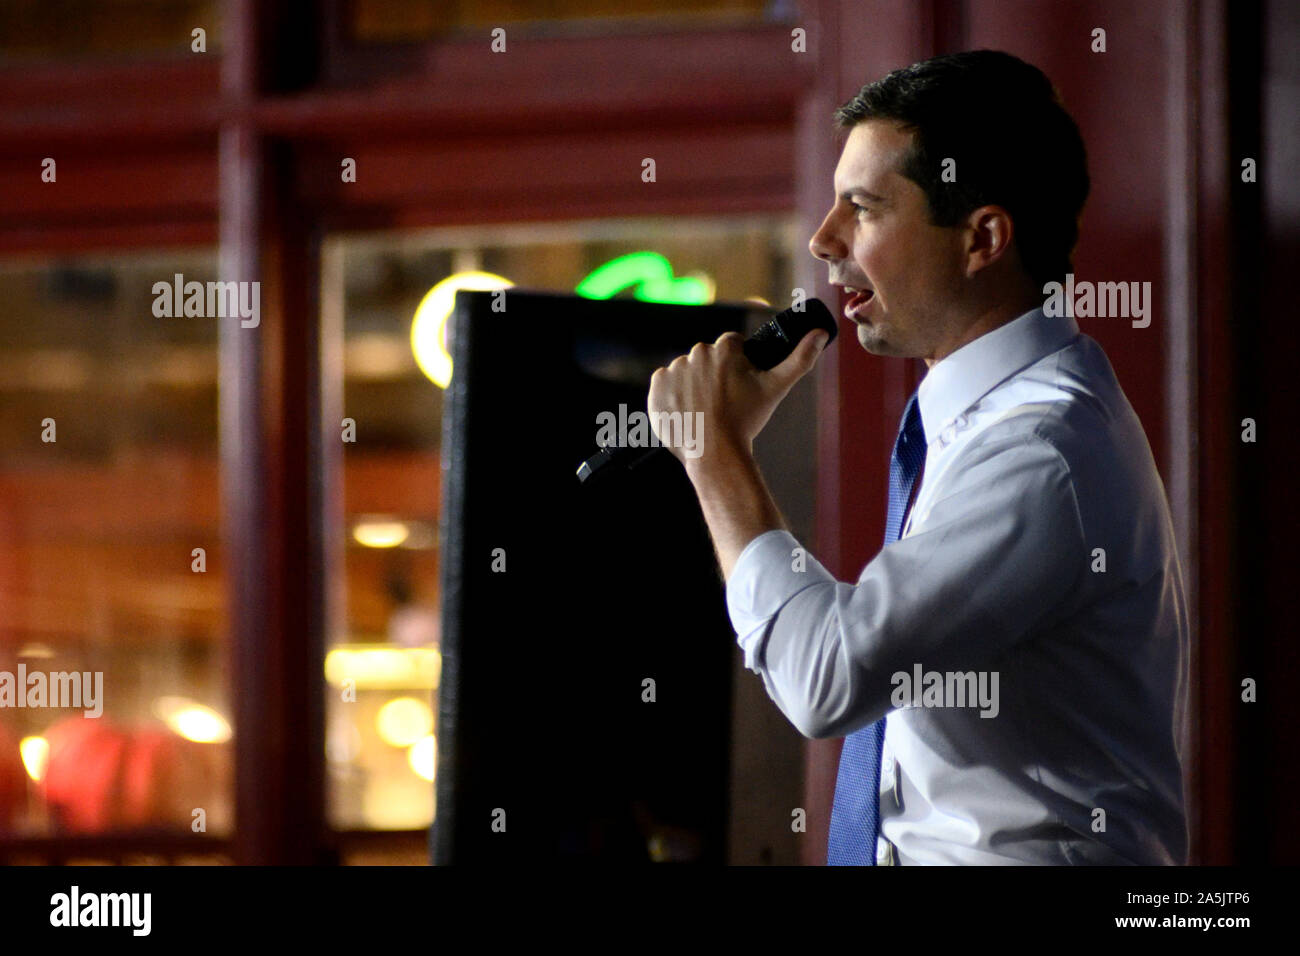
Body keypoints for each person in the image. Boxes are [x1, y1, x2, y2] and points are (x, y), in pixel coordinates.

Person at [646, 50, 1189, 865]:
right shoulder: (989, 420)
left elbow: (826, 676)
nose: (823, 240)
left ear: (983, 238)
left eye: (861, 209)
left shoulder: (1041, 449)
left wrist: (715, 454)